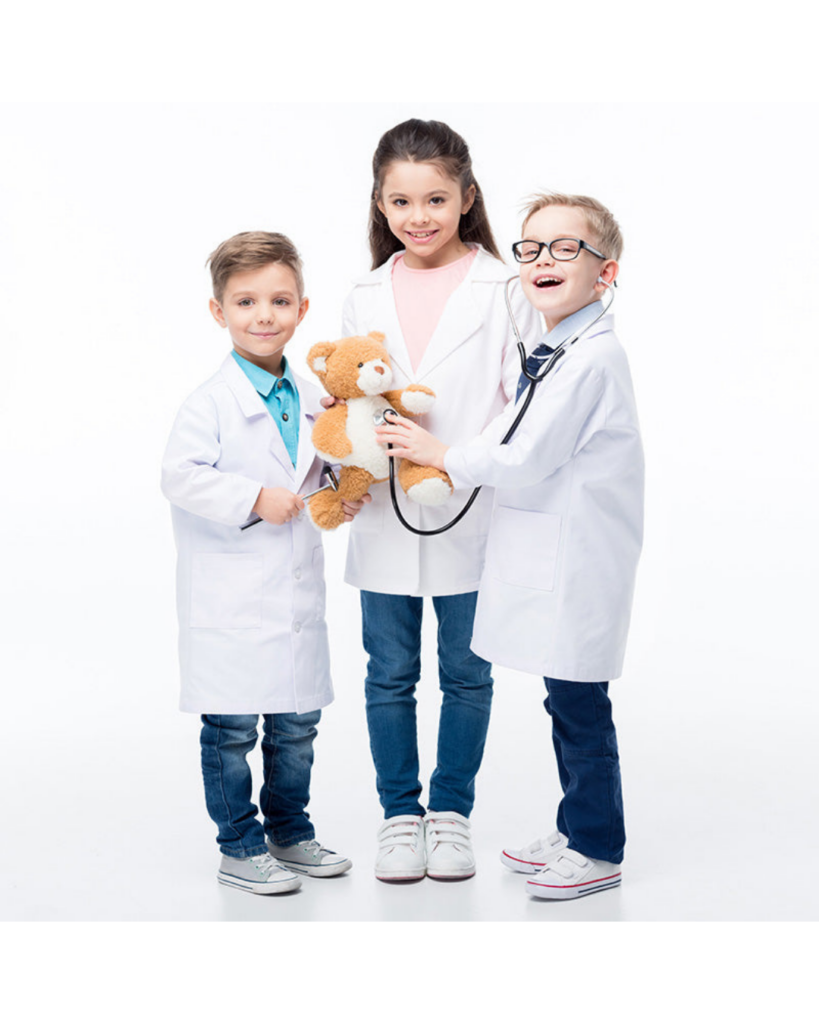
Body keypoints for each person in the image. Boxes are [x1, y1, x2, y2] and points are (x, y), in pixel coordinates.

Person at [376, 193, 644, 899]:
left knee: (580, 703)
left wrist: (441, 454)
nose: (542, 259)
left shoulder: (591, 359)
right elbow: (507, 429)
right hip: (555, 554)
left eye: (565, 248)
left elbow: (524, 456)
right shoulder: (557, 350)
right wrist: (450, 453)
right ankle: (576, 824)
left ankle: (597, 848)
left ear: (605, 272)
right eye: (530, 248)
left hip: (582, 561)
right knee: (565, 697)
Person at [341, 119, 541, 881]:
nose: (417, 216)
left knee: (465, 673)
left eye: (434, 199)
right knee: (388, 673)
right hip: (383, 511)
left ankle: (450, 813)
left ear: (466, 198)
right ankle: (399, 816)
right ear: (379, 203)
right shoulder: (364, 292)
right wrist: (344, 452)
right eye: (400, 201)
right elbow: (348, 395)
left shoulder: (504, 289)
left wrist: (452, 457)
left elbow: (524, 405)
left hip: (470, 505)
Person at [161, 231, 363, 895]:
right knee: (231, 730)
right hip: (231, 598)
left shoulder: (314, 399)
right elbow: (179, 477)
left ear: (302, 309)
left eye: (279, 300)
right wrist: (253, 497)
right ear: (218, 311)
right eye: (245, 302)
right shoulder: (209, 402)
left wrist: (338, 493)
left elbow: (323, 468)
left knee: (296, 726)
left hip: (292, 596)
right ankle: (240, 847)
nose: (264, 315)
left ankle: (289, 832)